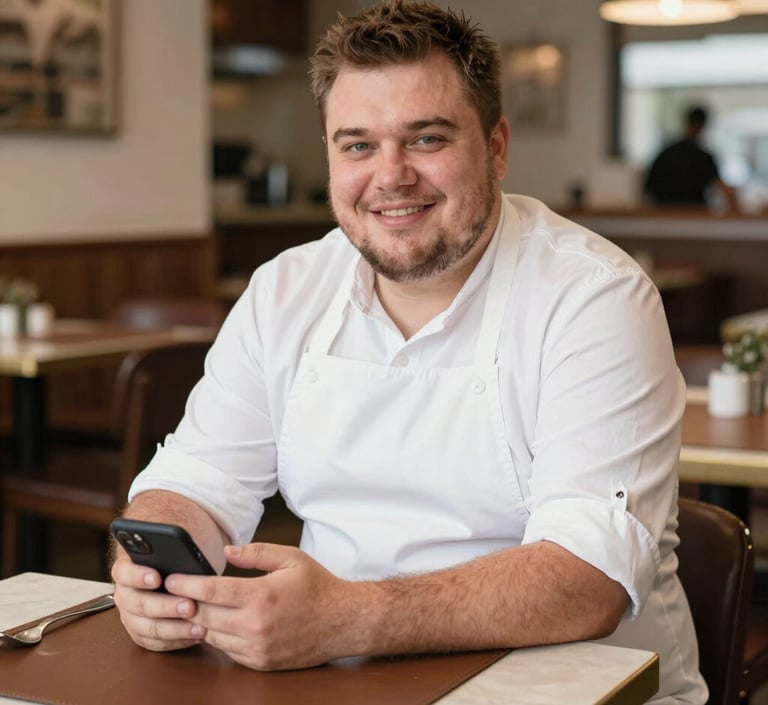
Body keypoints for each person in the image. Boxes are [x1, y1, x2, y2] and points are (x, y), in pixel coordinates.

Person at [111, 2, 706, 703]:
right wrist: (150, 568)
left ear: (496, 147)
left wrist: (345, 619)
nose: (390, 177)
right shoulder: (285, 291)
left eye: (425, 138)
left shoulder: (593, 297)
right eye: (358, 145)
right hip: (342, 681)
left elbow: (586, 580)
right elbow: (195, 482)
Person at [644, 105, 739, 210]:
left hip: (667, 213)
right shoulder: (703, 158)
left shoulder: (666, 154)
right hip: (695, 214)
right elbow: (721, 188)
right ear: (703, 126)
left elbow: (648, 190)